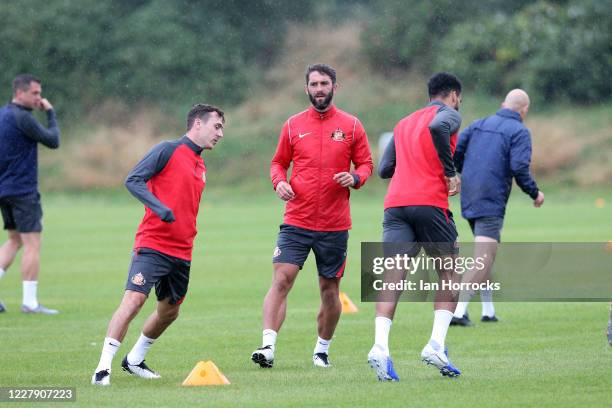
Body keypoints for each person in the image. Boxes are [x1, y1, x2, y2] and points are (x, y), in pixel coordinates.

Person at [91, 104, 225, 386]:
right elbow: (133, 180)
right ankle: (103, 368)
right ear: (197, 124)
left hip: (182, 251)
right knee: (134, 300)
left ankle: (135, 359)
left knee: (170, 311)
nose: (220, 134)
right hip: (153, 244)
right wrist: (159, 207)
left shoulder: (201, 165)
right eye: (217, 127)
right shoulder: (167, 149)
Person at [251, 63, 373, 369]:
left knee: (330, 292)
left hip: (334, 225)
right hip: (296, 220)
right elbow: (278, 162)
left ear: (335, 87)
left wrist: (355, 178)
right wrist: (279, 182)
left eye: (324, 83)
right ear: (307, 88)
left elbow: (366, 164)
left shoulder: (352, 125)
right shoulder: (292, 125)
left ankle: (322, 349)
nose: (319, 89)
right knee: (282, 279)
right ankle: (267, 346)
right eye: (314, 84)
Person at [367, 72, 463, 381]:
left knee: (393, 276)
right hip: (430, 202)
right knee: (450, 271)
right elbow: (438, 127)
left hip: (395, 205)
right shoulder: (447, 114)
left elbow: (384, 169)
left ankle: (380, 348)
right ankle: (436, 344)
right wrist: (449, 172)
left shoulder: (403, 122)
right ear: (453, 95)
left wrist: (412, 164)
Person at [450, 89, 544, 326]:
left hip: (471, 195)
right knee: (483, 257)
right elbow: (519, 167)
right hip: (491, 199)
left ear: (503, 104)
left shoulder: (478, 124)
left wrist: (463, 175)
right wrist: (535, 192)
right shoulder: (520, 131)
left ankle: (488, 310)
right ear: (525, 110)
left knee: (488, 255)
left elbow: (456, 154)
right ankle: (458, 311)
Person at [0, 74, 60, 314]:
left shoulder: (3, 115)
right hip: (22, 190)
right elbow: (53, 140)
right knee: (32, 243)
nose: (39, 98)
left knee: (15, 240)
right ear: (20, 93)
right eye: (35, 93)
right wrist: (50, 113)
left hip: (3, 189)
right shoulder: (23, 118)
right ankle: (30, 302)